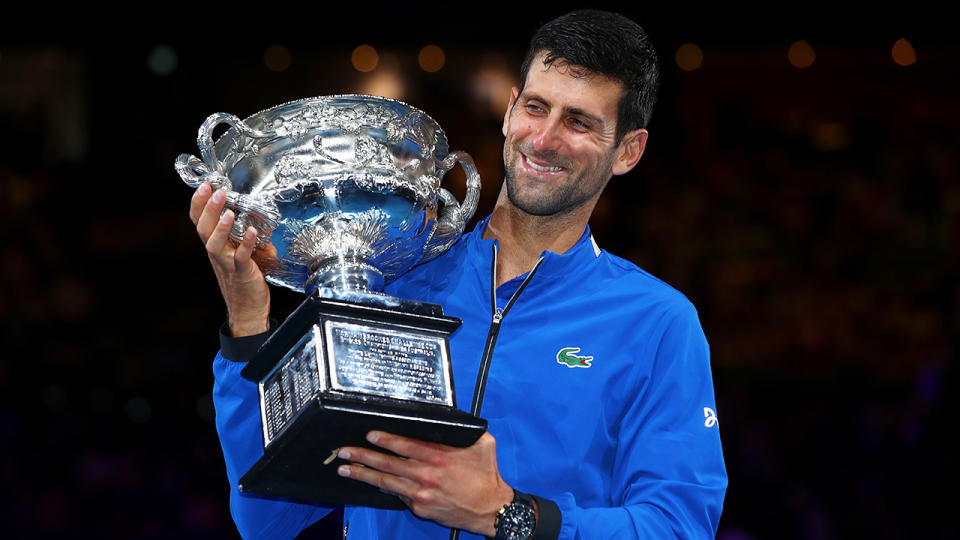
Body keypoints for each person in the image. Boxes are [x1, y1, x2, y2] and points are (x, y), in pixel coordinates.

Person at [190, 10, 727, 540]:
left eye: (579, 122)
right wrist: (247, 324)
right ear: (510, 109)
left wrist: (507, 514)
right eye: (536, 108)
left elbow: (677, 526)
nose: (543, 139)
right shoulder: (393, 277)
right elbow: (267, 518)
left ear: (628, 151)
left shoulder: (656, 322)